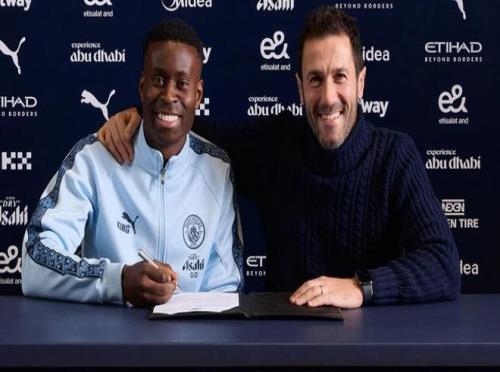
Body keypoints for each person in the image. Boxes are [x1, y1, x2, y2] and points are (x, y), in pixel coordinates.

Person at [98, 7, 460, 309]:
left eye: (340, 77)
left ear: (361, 82)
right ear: (300, 87)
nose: (328, 97)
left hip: (372, 353)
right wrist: (140, 115)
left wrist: (358, 286)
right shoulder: (275, 146)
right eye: (315, 79)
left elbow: (442, 263)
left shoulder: (395, 157)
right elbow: (196, 130)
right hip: (285, 349)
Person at [21, 20, 243, 307]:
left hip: (189, 337)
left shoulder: (217, 169)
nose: (169, 95)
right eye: (158, 80)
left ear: (197, 95)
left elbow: (225, 290)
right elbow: (35, 262)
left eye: (182, 84)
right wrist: (118, 281)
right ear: (142, 86)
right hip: (103, 336)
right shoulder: (94, 158)